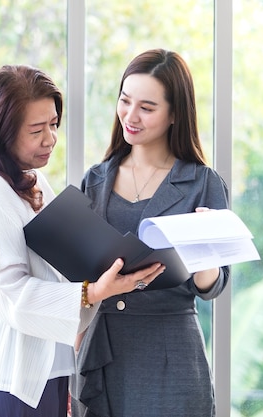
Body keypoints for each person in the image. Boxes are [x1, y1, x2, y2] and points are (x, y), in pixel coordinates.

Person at [0, 64, 165, 417]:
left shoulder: (25, 176)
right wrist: (94, 291)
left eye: (53, 124)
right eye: (36, 130)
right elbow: (11, 294)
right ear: (1, 132)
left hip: (30, 373)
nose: (50, 139)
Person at [69, 49, 230, 417]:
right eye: (125, 101)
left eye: (147, 107)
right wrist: (70, 367)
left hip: (171, 356)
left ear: (175, 114)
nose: (130, 115)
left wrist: (200, 250)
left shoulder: (202, 183)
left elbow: (215, 286)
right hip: (101, 354)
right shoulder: (94, 180)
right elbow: (80, 282)